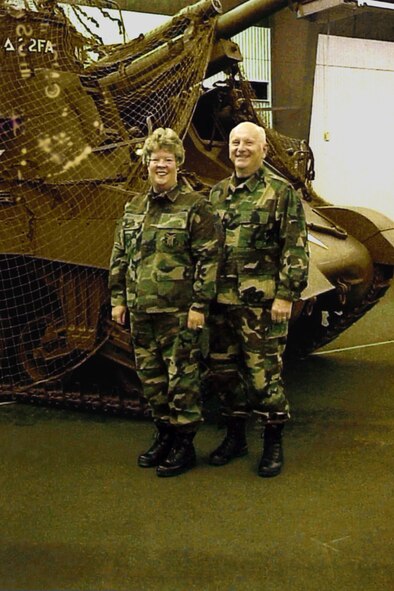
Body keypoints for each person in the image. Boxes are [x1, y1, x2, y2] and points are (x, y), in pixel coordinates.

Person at [108, 127, 222, 477]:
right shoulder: (134, 208)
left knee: (182, 380)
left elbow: (209, 260)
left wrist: (200, 306)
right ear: (146, 164)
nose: (160, 165)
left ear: (178, 163)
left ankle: (184, 443)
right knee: (152, 379)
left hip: (178, 314)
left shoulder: (195, 208)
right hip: (142, 311)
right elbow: (120, 255)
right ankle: (165, 434)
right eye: (155, 159)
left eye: (167, 160)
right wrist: (118, 299)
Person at [207, 121, 309, 477]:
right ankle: (236, 438)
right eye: (235, 142)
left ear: (263, 149)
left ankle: (272, 444)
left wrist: (286, 295)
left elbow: (295, 247)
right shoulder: (217, 194)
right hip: (221, 303)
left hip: (261, 305)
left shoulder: (280, 193)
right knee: (223, 373)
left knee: (264, 377)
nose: (240, 148)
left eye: (248, 142)